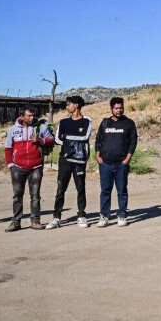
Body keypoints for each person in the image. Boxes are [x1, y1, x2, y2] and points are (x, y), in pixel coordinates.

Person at [4, 105, 55, 232]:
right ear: (22, 116)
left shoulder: (40, 127)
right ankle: (16, 222)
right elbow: (8, 148)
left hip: (36, 166)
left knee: (35, 195)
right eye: (29, 116)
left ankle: (35, 221)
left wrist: (41, 140)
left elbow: (51, 141)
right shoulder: (13, 130)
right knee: (17, 196)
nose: (32, 118)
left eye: (33, 115)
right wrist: (11, 164)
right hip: (18, 167)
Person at [47, 96, 92, 229]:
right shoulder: (63, 122)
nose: (67, 107)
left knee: (80, 188)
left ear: (76, 105)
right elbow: (58, 140)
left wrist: (66, 137)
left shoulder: (86, 121)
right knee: (61, 188)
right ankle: (56, 217)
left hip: (79, 160)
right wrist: (71, 140)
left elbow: (85, 137)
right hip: (65, 159)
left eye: (69, 104)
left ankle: (82, 216)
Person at [94, 97, 138, 228]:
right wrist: (98, 157)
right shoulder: (105, 123)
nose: (119, 110)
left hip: (121, 164)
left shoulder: (129, 123)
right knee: (105, 191)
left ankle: (122, 215)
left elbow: (133, 142)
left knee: (122, 190)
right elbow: (98, 141)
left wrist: (127, 159)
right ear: (111, 109)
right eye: (116, 108)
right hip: (105, 163)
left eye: (121, 108)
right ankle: (104, 216)